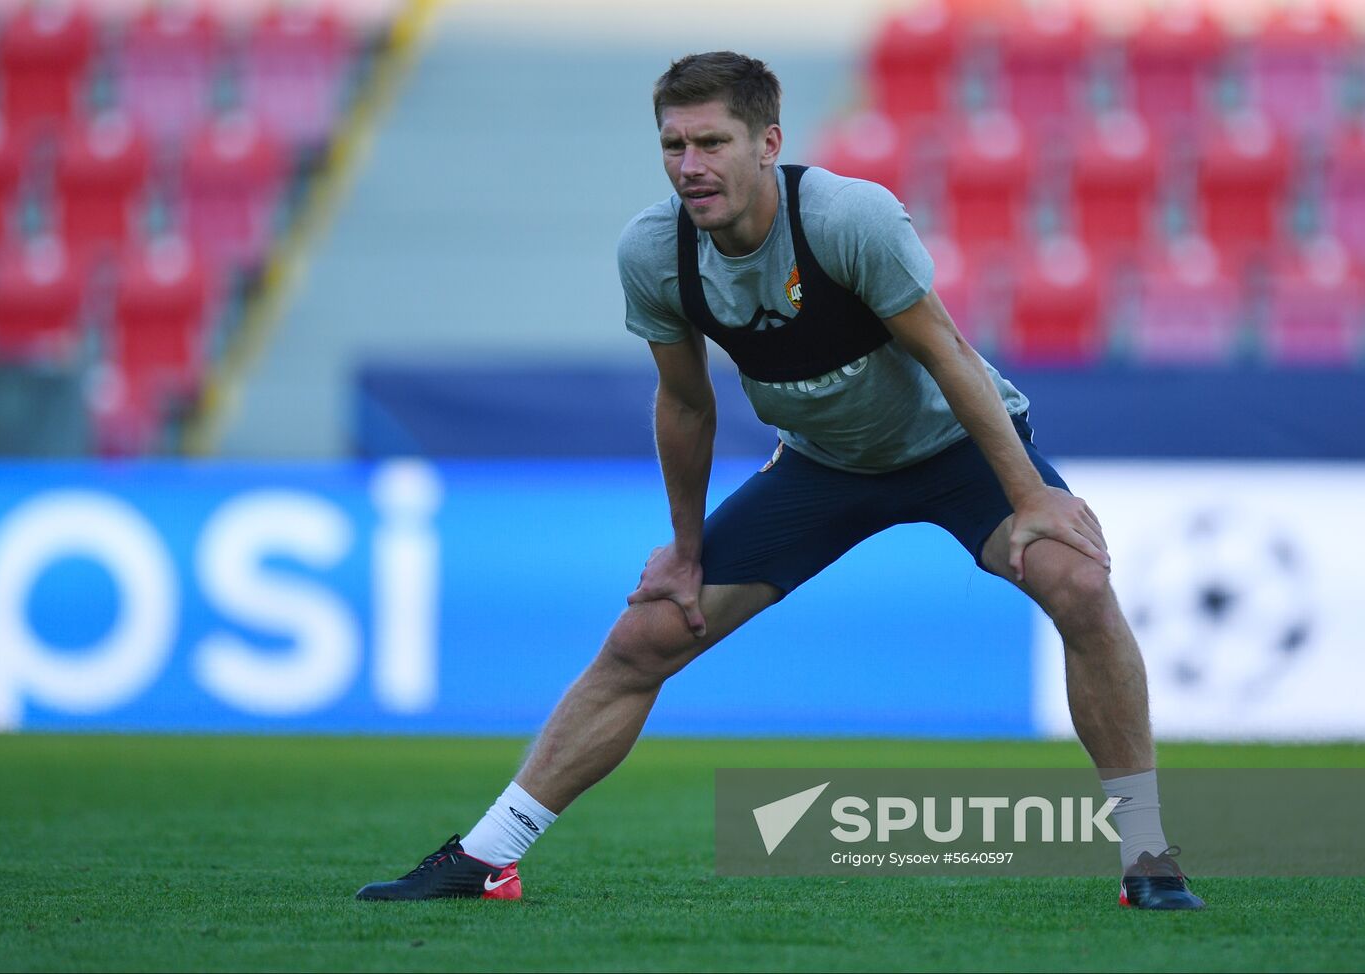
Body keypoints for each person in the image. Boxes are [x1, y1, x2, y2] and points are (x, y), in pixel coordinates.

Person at [355, 51, 1203, 911]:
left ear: (768, 142)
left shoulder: (847, 218)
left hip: (955, 450)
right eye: (673, 145)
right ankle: (487, 856)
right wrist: (684, 551)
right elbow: (684, 406)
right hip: (823, 466)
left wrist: (1029, 497)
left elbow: (947, 355)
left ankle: (1146, 856)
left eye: (711, 142)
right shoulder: (654, 250)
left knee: (1080, 584)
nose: (690, 167)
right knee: (647, 635)